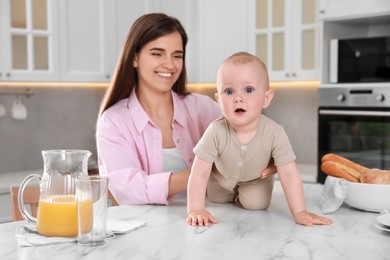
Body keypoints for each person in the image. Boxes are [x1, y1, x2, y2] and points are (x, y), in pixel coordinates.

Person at [96, 13, 275, 205]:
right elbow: (127, 190)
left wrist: (269, 156)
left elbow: (250, 133)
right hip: (149, 229)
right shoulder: (113, 121)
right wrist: (201, 172)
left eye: (177, 55)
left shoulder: (203, 108)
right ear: (134, 58)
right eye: (157, 54)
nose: (170, 64)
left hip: (210, 219)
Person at [187, 52, 333, 227]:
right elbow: (199, 172)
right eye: (229, 91)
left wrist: (300, 211)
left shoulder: (275, 132)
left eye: (248, 90)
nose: (238, 98)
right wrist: (195, 209)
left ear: (266, 98)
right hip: (221, 180)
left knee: (257, 205)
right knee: (217, 198)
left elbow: (289, 173)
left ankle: (247, 193)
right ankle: (226, 192)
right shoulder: (215, 130)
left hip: (255, 179)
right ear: (218, 100)